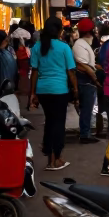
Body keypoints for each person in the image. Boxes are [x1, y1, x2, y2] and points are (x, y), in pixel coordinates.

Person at [29, 16, 78, 171]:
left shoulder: (37, 47)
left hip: (43, 90)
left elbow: (34, 72)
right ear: (60, 30)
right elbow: (70, 72)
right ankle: (56, 159)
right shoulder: (64, 48)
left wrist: (33, 93)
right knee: (58, 124)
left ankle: (50, 157)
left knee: (50, 122)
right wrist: (76, 90)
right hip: (59, 91)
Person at [72, 19, 99, 144]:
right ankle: (85, 134)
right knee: (86, 109)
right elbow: (82, 65)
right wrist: (94, 78)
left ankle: (85, 132)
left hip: (86, 80)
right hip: (85, 80)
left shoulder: (84, 43)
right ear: (90, 31)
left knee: (87, 109)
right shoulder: (80, 44)